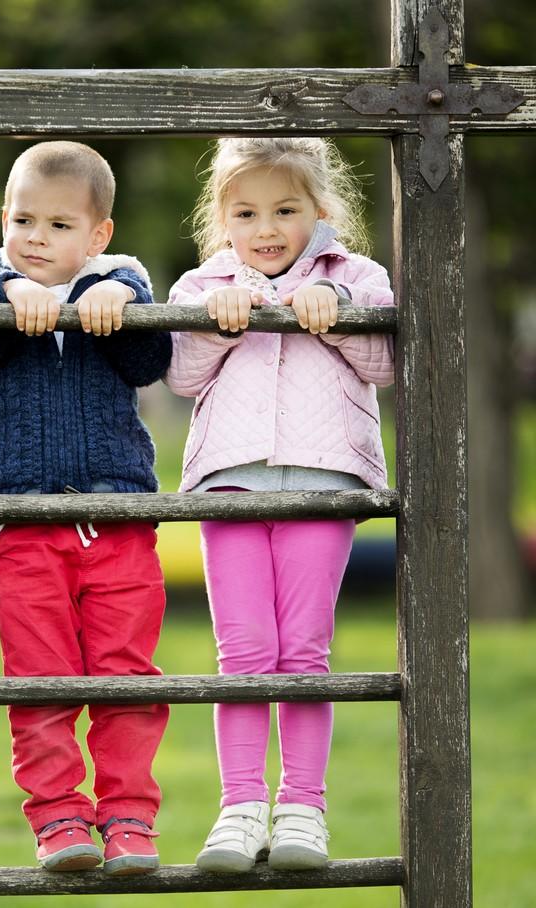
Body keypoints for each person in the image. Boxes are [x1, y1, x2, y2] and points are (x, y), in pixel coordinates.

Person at [0, 141, 173, 876]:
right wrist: (4, 298)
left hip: (119, 520)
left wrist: (123, 304)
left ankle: (130, 819)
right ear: (3, 217)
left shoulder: (121, 279)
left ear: (98, 235)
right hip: (23, 524)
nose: (37, 238)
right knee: (39, 677)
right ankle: (59, 819)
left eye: (60, 226)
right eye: (23, 220)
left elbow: (151, 363)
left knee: (125, 675)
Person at [165, 137, 394, 873]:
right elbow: (180, 373)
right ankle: (238, 809)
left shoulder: (357, 275)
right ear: (222, 220)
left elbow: (385, 363)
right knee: (243, 654)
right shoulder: (203, 282)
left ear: (320, 212)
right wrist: (220, 318)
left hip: (323, 481)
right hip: (229, 482)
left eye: (285, 210)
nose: (266, 227)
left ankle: (303, 807)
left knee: (303, 651)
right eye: (246, 212)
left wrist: (335, 309)